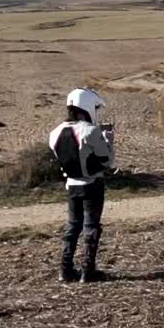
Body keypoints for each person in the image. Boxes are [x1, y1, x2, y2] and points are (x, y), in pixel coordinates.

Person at [48, 88, 115, 284]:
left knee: (72, 226)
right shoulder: (91, 131)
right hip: (92, 184)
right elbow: (107, 160)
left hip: (71, 185)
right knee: (91, 227)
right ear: (86, 107)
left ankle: (65, 270)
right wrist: (109, 140)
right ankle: (88, 270)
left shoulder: (55, 132)